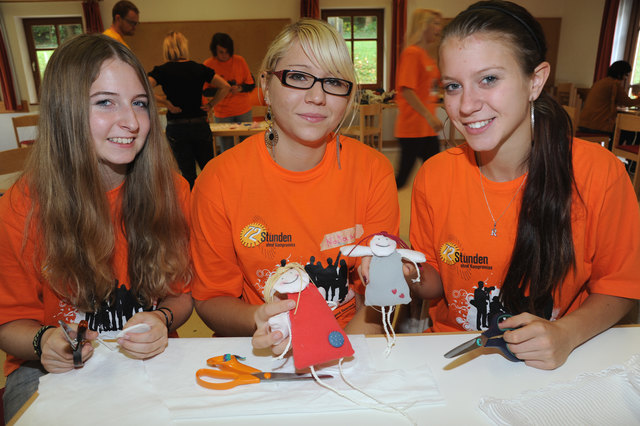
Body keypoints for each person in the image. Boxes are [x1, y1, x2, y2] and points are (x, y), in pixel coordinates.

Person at [405, 1, 640, 370]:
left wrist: (567, 333)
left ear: (535, 80)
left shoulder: (598, 173)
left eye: (489, 79)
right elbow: (434, 281)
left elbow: (621, 285)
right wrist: (406, 273)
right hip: (456, 359)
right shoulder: (434, 175)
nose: (466, 105)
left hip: (554, 363)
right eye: (453, 86)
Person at [0, 34, 194, 422]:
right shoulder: (22, 205)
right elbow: (9, 323)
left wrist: (162, 319)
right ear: (64, 111)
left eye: (139, 103)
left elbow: (182, 297)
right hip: (47, 369)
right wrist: (43, 342)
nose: (132, 121)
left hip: (151, 361)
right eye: (105, 102)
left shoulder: (173, 191)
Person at [190, 19, 400, 354]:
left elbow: (378, 299)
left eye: (333, 82)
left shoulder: (373, 170)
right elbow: (211, 300)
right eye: (299, 77)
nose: (317, 96)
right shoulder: (218, 180)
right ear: (266, 86)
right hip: (259, 350)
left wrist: (336, 352)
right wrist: (259, 317)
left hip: (352, 342)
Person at [148, 31, 230, 188]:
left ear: (167, 49)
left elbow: (143, 87)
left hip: (177, 128)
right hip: (199, 125)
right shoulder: (199, 68)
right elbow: (225, 86)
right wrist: (211, 105)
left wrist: (166, 103)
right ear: (184, 47)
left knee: (187, 175)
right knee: (209, 171)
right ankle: (210, 207)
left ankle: (191, 208)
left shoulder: (162, 70)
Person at [394, 9, 444, 189]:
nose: (439, 28)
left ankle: (436, 210)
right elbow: (407, 90)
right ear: (424, 26)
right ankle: (368, 202)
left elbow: (432, 88)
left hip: (427, 130)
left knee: (437, 174)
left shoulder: (426, 57)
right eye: (436, 23)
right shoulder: (412, 53)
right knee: (401, 180)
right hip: (413, 129)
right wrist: (429, 116)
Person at [203, 33, 256, 153]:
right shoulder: (208, 64)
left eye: (227, 52)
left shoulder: (240, 61)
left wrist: (240, 88)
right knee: (226, 149)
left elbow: (251, 84)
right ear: (214, 50)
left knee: (247, 148)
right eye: (221, 52)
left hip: (243, 110)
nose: (224, 55)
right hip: (222, 113)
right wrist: (223, 89)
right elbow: (205, 91)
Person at [579, 60, 640, 137]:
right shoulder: (614, 84)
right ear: (620, 74)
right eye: (626, 75)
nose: (626, 78)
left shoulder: (600, 82)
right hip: (598, 126)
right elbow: (628, 103)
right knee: (633, 133)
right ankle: (613, 149)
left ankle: (610, 148)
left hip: (584, 123)